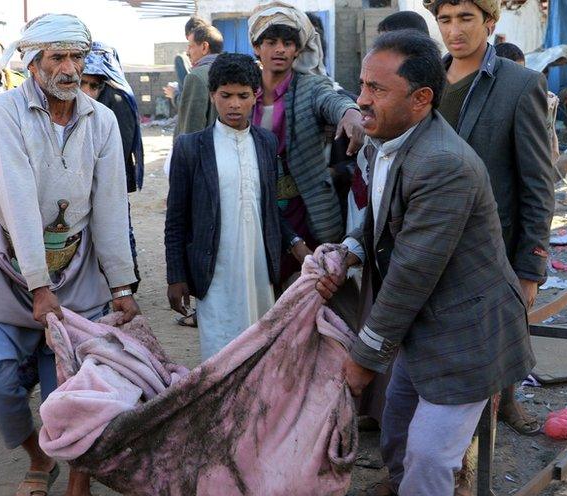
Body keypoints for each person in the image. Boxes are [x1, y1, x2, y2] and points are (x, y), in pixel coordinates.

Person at [318, 30, 534, 496]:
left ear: (421, 99)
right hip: (423, 328)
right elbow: (383, 215)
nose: (362, 100)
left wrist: (364, 356)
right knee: (398, 438)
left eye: (378, 89)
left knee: (431, 456)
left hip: (465, 333)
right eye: (362, 85)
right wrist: (349, 248)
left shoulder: (442, 162)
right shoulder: (390, 140)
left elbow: (412, 270)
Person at [0, 13, 137, 496]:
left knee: (77, 388)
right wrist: (39, 284)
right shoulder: (3, 111)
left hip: (77, 263)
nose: (68, 68)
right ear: (32, 63)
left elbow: (109, 207)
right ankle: (38, 458)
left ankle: (77, 492)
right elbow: (14, 195)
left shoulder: (101, 119)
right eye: (57, 57)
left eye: (76, 57)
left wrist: (122, 285)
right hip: (6, 261)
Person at [425, 0, 558, 496]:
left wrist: (530, 267)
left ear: (490, 23)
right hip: (422, 250)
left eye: (466, 19)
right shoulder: (423, 77)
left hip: (488, 255)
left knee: (475, 375)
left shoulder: (519, 84)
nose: (454, 31)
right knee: (417, 367)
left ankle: (464, 479)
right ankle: (414, 467)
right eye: (445, 20)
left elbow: (537, 183)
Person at [165, 53, 306, 361]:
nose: (234, 104)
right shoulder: (190, 148)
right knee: (221, 355)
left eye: (243, 96)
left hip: (258, 269)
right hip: (214, 271)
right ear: (212, 95)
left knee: (260, 351)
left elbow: (268, 207)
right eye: (225, 95)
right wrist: (176, 276)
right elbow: (176, 220)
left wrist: (295, 244)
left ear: (255, 96)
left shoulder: (266, 143)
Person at [248, 2, 364, 283]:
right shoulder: (244, 87)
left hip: (302, 203)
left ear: (297, 50)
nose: (280, 50)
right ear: (256, 47)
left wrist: (350, 113)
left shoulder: (309, 86)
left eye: (288, 43)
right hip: (253, 199)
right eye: (271, 42)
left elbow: (332, 99)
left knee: (307, 280)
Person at [82, 41, 143, 289]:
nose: (86, 90)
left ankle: (127, 282)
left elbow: (121, 146)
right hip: (87, 182)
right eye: (82, 83)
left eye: (93, 84)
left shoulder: (116, 98)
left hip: (110, 181)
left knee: (117, 230)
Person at [173, 24, 224, 137]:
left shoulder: (197, 76)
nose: (187, 52)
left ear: (204, 47)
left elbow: (191, 131)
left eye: (190, 46)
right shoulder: (232, 70)